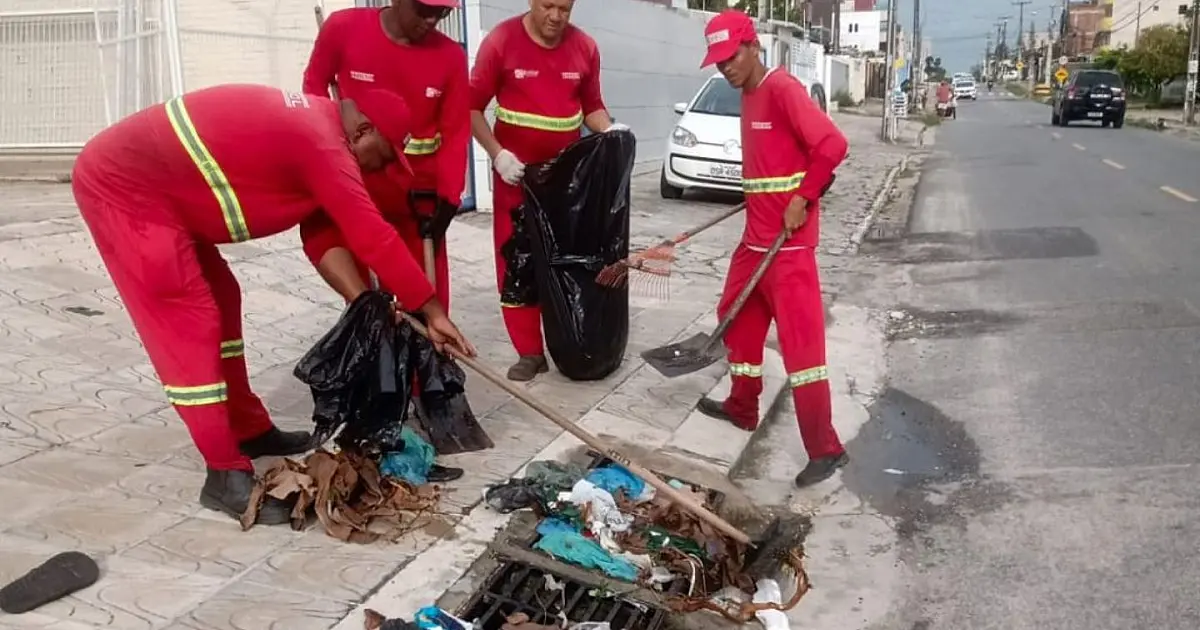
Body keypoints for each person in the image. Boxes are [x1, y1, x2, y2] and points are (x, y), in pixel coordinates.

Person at [71, 84, 476, 526]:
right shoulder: (322, 145)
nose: (381, 164)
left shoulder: (320, 133)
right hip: (124, 189)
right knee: (188, 319)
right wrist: (432, 312)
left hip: (162, 187)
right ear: (363, 130)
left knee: (223, 296)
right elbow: (372, 235)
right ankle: (224, 475)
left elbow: (322, 235)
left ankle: (248, 430)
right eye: (386, 152)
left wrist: (368, 303)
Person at [692, 10, 850, 488]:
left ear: (754, 47)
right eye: (718, 62)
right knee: (735, 319)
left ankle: (826, 450)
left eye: (732, 57)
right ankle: (742, 406)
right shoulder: (747, 95)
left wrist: (803, 197)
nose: (726, 68)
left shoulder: (783, 90)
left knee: (803, 354)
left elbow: (833, 145)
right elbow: (771, 164)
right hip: (754, 242)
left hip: (788, 250)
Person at [469, 0, 627, 381]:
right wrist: (497, 154)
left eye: (565, 9)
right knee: (517, 263)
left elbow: (592, 105)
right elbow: (470, 107)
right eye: (547, 6)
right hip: (516, 178)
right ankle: (529, 352)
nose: (556, 17)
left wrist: (609, 131)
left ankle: (568, 338)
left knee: (565, 261)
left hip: (566, 182)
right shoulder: (502, 41)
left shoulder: (585, 48)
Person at [301, 0, 468, 313]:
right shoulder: (343, 29)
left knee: (425, 296)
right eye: (424, 10)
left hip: (418, 198)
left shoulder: (450, 57)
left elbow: (456, 132)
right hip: (358, 187)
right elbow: (313, 91)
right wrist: (329, 153)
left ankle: (425, 359)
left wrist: (450, 197)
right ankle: (377, 355)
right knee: (370, 298)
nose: (432, 20)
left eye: (441, 13)